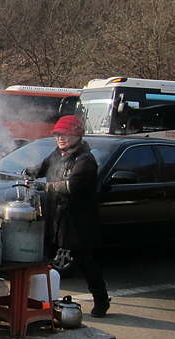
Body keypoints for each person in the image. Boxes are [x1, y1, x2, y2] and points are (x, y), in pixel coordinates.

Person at [24, 115, 111, 317]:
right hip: (55, 215)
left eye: (65, 134)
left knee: (84, 260)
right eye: (57, 134)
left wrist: (43, 186)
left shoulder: (85, 159)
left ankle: (101, 299)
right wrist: (29, 172)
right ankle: (36, 300)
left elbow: (71, 186)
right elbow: (42, 167)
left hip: (77, 219)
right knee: (42, 255)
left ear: (77, 135)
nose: (60, 138)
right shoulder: (58, 153)